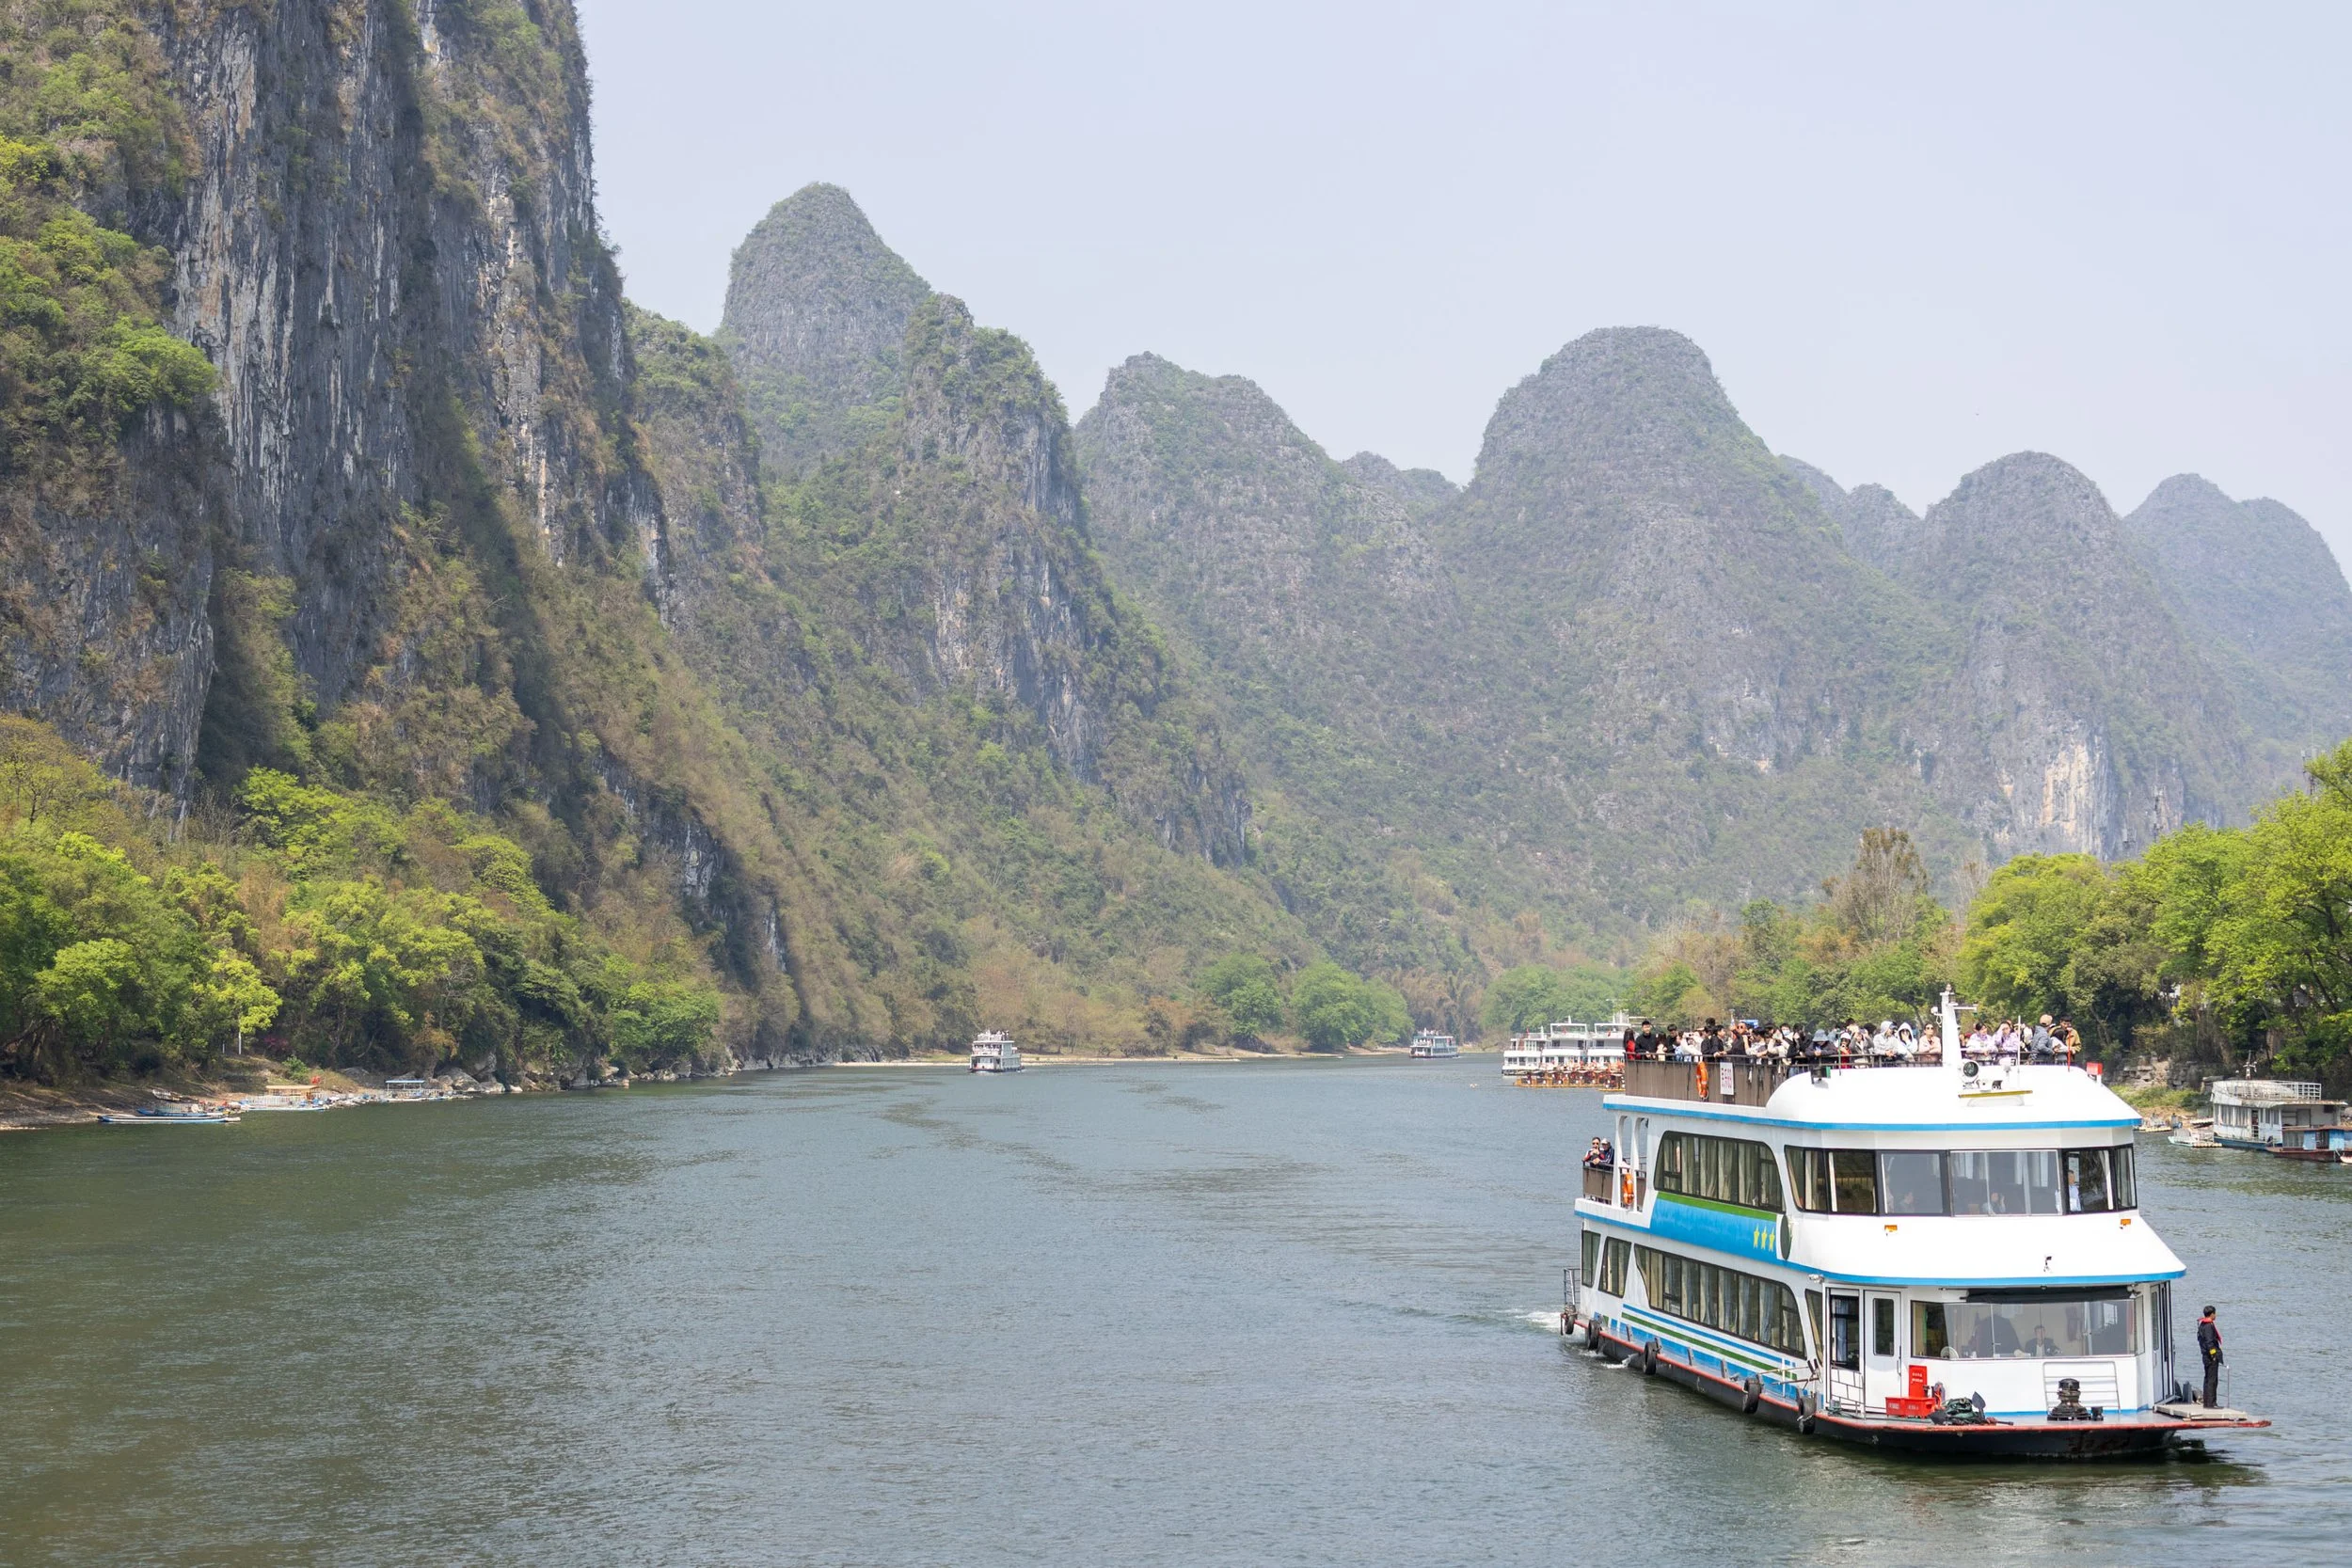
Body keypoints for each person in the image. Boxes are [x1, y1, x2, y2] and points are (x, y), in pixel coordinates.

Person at [2198, 1306, 2224, 1407]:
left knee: (2208, 1378)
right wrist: (2213, 1355)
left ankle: (2207, 1402)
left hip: (2206, 1356)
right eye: (2215, 1313)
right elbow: (2209, 1342)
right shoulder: (2208, 1326)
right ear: (2212, 1314)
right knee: (2212, 1380)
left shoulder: (2203, 1324)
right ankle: (2211, 1403)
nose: (2215, 1315)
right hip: (2210, 1357)